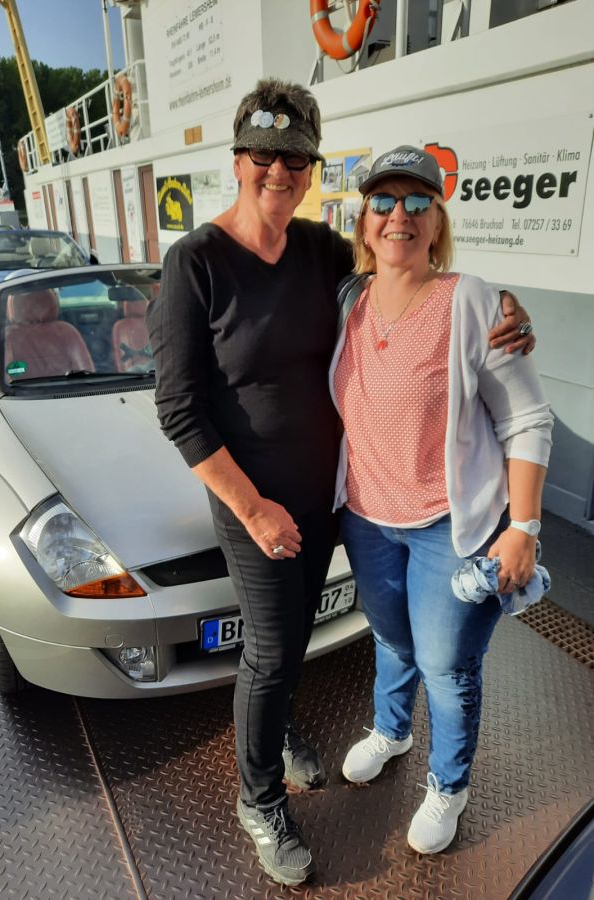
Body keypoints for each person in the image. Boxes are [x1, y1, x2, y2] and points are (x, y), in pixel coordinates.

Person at [147, 82, 534, 887]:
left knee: (303, 639)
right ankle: (258, 800)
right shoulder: (196, 262)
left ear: (310, 171)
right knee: (269, 649)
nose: (279, 171)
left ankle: (281, 730)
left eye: (295, 159)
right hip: (254, 504)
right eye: (263, 156)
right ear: (237, 161)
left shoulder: (324, 253)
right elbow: (179, 410)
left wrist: (506, 310)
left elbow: (406, 282)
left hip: (332, 498)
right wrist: (253, 510)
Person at [330, 145, 553, 855]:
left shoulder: (472, 300)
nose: (399, 214)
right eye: (383, 201)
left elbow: (526, 419)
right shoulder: (347, 300)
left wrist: (523, 526)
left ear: (436, 222)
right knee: (390, 639)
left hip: (450, 528)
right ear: (363, 222)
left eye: (417, 202)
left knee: (446, 667)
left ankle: (448, 784)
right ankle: (391, 731)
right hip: (366, 517)